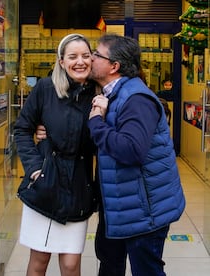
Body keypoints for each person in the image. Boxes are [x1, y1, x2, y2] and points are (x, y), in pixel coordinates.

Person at [88, 34, 185, 276]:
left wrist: (96, 123)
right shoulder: (114, 93)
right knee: (110, 263)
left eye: (96, 54)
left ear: (114, 66)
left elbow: (131, 150)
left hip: (144, 212)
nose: (90, 58)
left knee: (146, 270)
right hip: (122, 207)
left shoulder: (136, 98)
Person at [13, 33, 98, 276]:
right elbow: (22, 129)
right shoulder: (45, 88)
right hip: (45, 186)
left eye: (85, 55)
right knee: (39, 261)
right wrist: (35, 168)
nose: (79, 62)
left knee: (71, 265)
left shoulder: (98, 94)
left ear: (92, 59)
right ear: (61, 61)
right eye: (72, 57)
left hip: (78, 188)